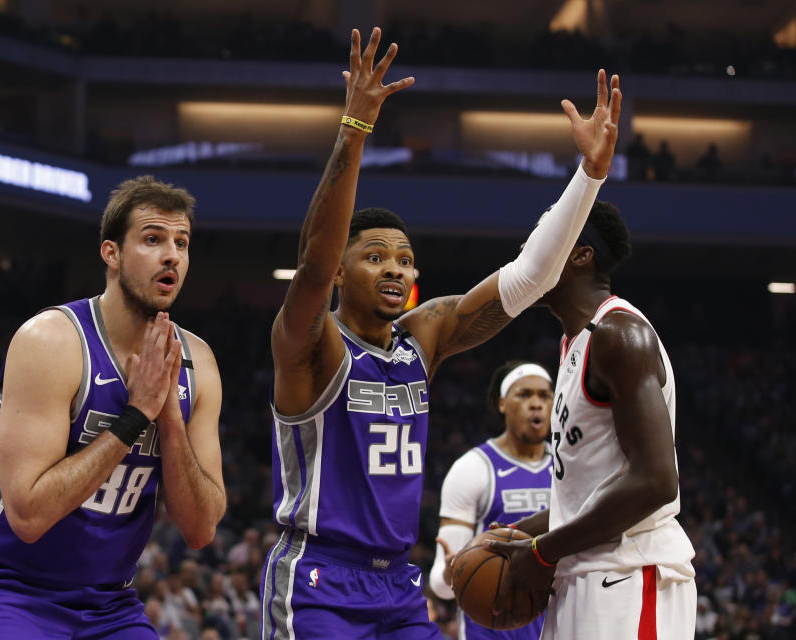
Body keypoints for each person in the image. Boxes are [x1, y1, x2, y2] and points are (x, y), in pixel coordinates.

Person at [259, 25, 621, 640]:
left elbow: (527, 280)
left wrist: (587, 177)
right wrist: (356, 128)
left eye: (403, 259)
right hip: (318, 579)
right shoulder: (310, 344)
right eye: (374, 257)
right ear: (343, 272)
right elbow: (314, 263)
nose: (394, 268)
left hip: (398, 586)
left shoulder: (422, 338)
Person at [0, 176, 227, 638]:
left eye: (182, 242)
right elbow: (28, 517)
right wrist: (135, 416)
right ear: (110, 253)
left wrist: (168, 416)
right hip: (6, 586)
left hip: (108, 603)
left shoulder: (199, 365)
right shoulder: (51, 341)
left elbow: (200, 530)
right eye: (153, 239)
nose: (172, 254)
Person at [485, 201, 696, 639]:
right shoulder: (574, 343)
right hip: (583, 572)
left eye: (544, 239)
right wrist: (520, 534)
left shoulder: (619, 336)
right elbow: (589, 493)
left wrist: (542, 553)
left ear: (582, 254)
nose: (529, 251)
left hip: (630, 575)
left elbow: (657, 481)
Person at [429, 361, 554, 640]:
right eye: (525, 395)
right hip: (489, 629)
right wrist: (453, 573)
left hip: (558, 623)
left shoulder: (569, 465)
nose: (536, 404)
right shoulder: (473, 468)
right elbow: (439, 582)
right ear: (501, 403)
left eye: (544, 396)